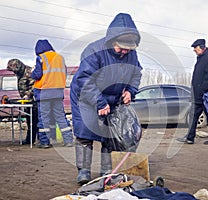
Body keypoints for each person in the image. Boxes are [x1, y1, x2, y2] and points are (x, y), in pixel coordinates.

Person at [70, 13, 142, 185]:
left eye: (128, 48)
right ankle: (84, 171)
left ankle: (107, 171)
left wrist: (131, 90)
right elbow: (83, 80)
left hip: (112, 98)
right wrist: (99, 101)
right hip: (86, 96)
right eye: (121, 47)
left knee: (110, 135)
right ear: (112, 41)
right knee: (85, 133)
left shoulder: (131, 55)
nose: (125, 51)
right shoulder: (94, 51)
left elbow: (136, 73)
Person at [31, 39, 74, 149]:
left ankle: (45, 142)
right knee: (60, 116)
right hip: (58, 92)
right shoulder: (60, 57)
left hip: (44, 92)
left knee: (44, 118)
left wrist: (32, 73)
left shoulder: (41, 58)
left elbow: (37, 74)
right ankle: (68, 140)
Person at [177, 39, 208, 145]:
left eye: (195, 48)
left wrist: (202, 90)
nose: (194, 50)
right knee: (194, 115)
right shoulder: (200, 58)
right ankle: (190, 137)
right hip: (198, 95)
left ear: (201, 47)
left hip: (206, 94)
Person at [7, 59, 38, 145]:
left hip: (33, 101)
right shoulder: (20, 74)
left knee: (35, 121)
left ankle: (38, 139)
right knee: (29, 120)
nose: (14, 72)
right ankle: (30, 139)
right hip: (26, 101)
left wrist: (28, 94)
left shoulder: (29, 72)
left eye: (14, 70)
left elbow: (35, 86)